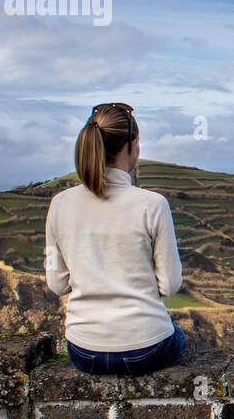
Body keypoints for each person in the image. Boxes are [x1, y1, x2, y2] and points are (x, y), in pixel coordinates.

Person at [44, 102, 185, 375]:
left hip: (84, 351)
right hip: (147, 349)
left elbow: (57, 284)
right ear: (133, 145)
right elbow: (170, 285)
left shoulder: (59, 203)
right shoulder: (153, 204)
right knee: (177, 335)